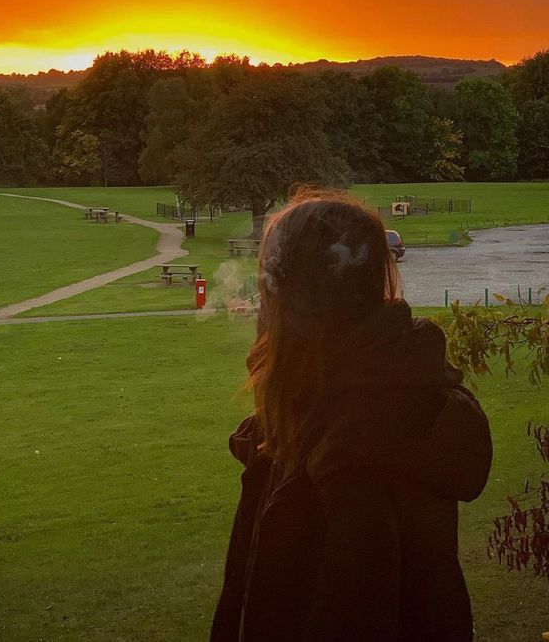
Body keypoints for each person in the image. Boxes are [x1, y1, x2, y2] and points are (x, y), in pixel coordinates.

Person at [210, 188, 492, 642]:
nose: (261, 307)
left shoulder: (347, 460)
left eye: (269, 285)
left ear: (299, 300)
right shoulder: (371, 415)